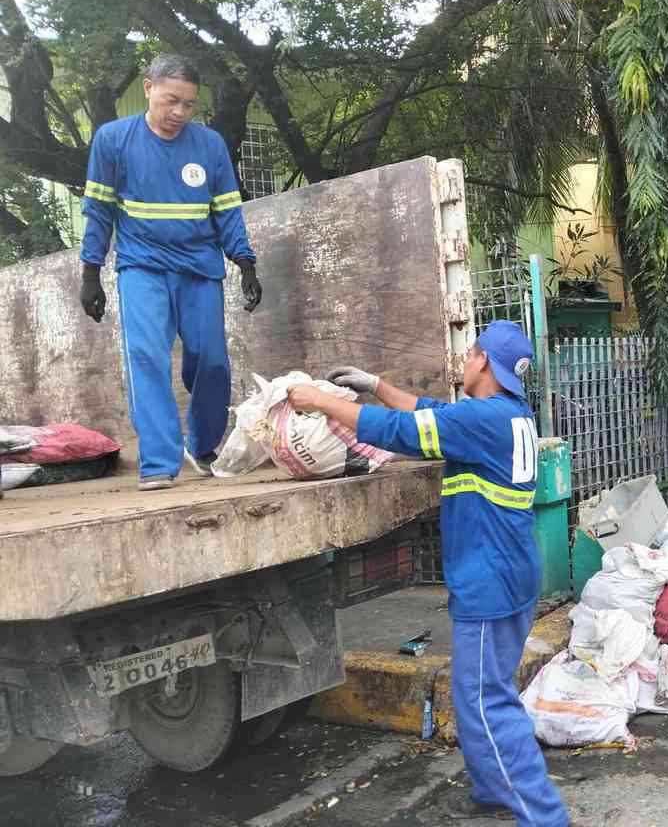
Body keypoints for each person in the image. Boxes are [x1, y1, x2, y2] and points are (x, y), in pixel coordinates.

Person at [286, 321, 569, 826]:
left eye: (470, 351)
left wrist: (321, 401)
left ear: (483, 361)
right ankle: (490, 789)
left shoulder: (484, 421)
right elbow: (431, 413)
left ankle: (546, 818)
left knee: (486, 700)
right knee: (478, 691)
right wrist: (374, 383)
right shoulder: (507, 413)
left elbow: (404, 432)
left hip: (491, 579)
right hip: (506, 570)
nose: (464, 359)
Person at [80, 54, 263, 491]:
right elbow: (99, 211)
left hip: (200, 267)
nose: (179, 113)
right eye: (171, 101)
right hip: (141, 267)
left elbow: (227, 213)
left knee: (212, 361)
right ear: (148, 88)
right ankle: (159, 463)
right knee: (146, 358)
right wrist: (90, 272)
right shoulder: (113, 140)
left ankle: (200, 444)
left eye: (189, 105)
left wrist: (246, 263)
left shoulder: (209, 145)